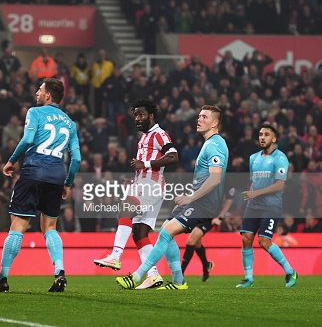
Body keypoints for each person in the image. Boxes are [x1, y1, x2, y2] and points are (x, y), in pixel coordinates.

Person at [116, 105, 229, 290]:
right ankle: (178, 281)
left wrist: (191, 198)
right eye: (199, 116)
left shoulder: (216, 144)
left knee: (166, 233)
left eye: (205, 117)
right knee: (166, 231)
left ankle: (136, 276)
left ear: (215, 123)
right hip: (199, 201)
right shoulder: (209, 143)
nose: (199, 120)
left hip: (205, 203)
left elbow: (215, 179)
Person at [0, 78, 81, 293]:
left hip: (33, 172)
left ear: (48, 95)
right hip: (57, 176)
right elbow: (76, 159)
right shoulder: (70, 123)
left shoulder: (35, 112)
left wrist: (11, 160)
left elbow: (28, 139)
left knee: (18, 226)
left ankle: (2, 278)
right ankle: (59, 271)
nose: (36, 93)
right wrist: (68, 183)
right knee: (50, 227)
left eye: (40, 90)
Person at [94, 99, 178, 289]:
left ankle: (115, 256)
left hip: (152, 184)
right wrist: (136, 178)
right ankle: (153, 275)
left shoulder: (159, 134)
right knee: (139, 233)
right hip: (147, 183)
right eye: (135, 115)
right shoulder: (144, 137)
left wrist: (144, 166)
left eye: (141, 115)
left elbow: (173, 156)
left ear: (151, 116)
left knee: (126, 207)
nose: (137, 119)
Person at [236, 123, 298, 288]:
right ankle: (248, 278)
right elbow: (254, 181)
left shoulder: (280, 158)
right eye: (261, 134)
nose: (262, 137)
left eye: (267, 135)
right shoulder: (253, 158)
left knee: (264, 242)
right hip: (253, 205)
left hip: (271, 206)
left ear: (274, 138)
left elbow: (279, 185)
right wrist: (250, 194)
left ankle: (290, 271)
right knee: (246, 238)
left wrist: (256, 193)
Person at [180, 194, 234, 281]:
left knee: (191, 240)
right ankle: (206, 265)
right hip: (199, 213)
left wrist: (219, 217)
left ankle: (180, 274)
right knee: (197, 244)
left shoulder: (224, 182)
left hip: (210, 216)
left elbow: (228, 199)